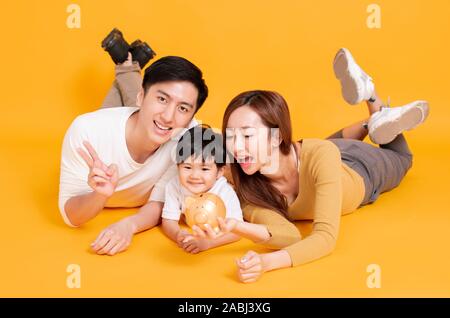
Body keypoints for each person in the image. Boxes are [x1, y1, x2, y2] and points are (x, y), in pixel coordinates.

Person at [196, 48, 429, 283]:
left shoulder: (319, 154)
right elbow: (288, 235)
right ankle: (372, 116)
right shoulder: (246, 188)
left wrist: (267, 263)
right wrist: (236, 226)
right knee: (328, 148)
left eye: (247, 136)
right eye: (231, 136)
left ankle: (374, 100)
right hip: (317, 157)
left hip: (360, 169)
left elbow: (325, 237)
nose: (236, 148)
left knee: (402, 158)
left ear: (276, 137)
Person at [58, 30, 208, 256]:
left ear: (191, 116)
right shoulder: (87, 133)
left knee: (148, 118)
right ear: (141, 96)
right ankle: (128, 65)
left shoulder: (187, 142)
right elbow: (71, 216)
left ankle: (126, 63)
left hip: (136, 120)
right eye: (162, 98)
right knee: (133, 117)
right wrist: (100, 195)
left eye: (183, 108)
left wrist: (129, 225)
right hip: (121, 123)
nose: (169, 116)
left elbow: (160, 201)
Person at [161, 125, 243, 254]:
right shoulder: (174, 185)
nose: (194, 176)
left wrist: (209, 243)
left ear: (220, 172)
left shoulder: (224, 191)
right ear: (177, 166)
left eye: (204, 169)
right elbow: (168, 220)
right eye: (187, 167)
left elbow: (237, 232)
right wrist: (177, 234)